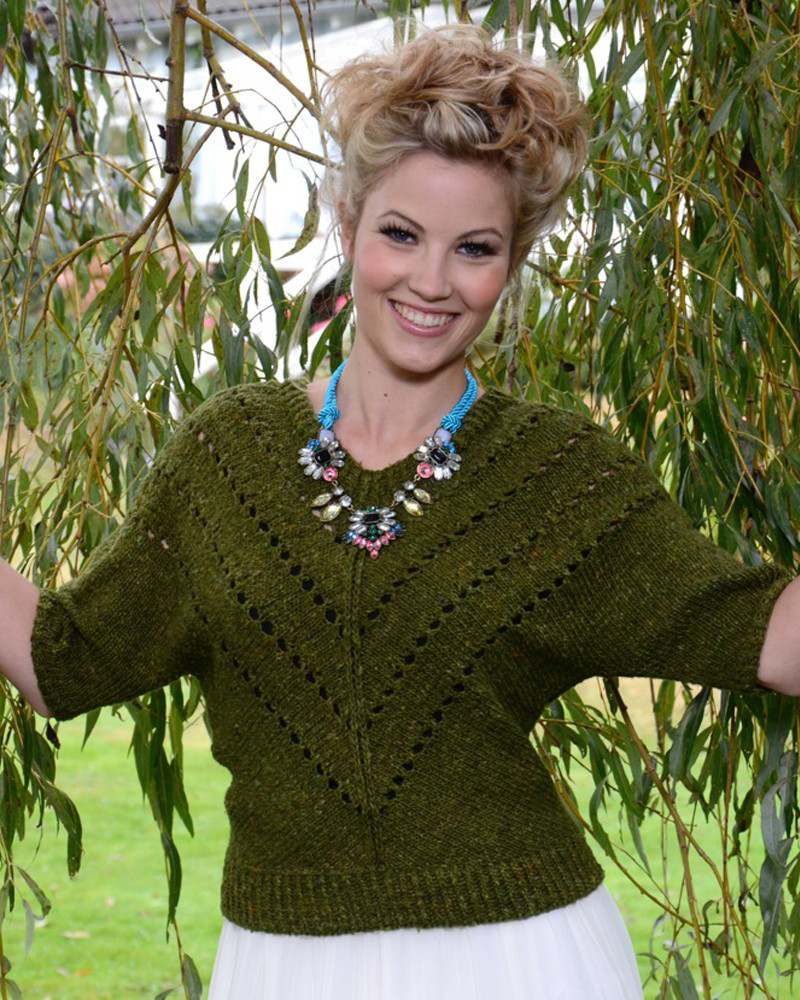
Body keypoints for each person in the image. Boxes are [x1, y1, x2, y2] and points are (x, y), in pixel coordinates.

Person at [1, 20, 795, 1000]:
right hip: (283, 967)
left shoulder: (556, 477)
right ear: (347, 224)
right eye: (401, 234)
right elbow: (65, 660)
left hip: (521, 962)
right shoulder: (226, 457)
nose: (431, 281)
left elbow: (763, 635)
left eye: (474, 248)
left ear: (512, 261)